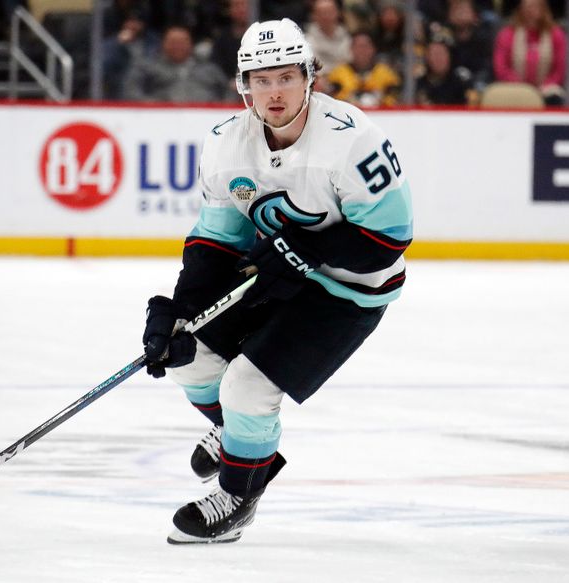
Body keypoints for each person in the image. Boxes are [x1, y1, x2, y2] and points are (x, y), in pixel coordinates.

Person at [141, 18, 412, 544]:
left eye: (286, 76)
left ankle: (239, 494)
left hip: (351, 289)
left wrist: (311, 248)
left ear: (310, 76)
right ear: (243, 84)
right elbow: (214, 244)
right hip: (276, 271)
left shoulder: (352, 140)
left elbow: (389, 239)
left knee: (248, 386)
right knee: (187, 352)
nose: (274, 92)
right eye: (261, 80)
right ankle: (240, 434)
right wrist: (177, 310)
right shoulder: (225, 144)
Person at [123, 25, 231, 103]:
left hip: (208, 118)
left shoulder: (210, 69)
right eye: (173, 42)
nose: (177, 46)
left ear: (191, 44)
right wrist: (150, 105)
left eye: (182, 42)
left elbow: (228, 90)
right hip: (160, 119)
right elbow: (130, 90)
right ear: (163, 44)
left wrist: (220, 108)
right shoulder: (147, 67)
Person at [492, 0, 567, 105]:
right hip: (515, 87)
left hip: (547, 89)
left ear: (544, 9)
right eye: (528, 7)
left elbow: (560, 70)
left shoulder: (556, 35)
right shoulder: (507, 34)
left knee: (555, 97)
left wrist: (544, 86)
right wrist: (522, 87)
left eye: (536, 6)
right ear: (521, 9)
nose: (532, 11)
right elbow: (501, 68)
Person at [327, 30, 401, 106]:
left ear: (373, 49)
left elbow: (395, 100)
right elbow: (331, 100)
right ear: (351, 49)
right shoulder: (337, 73)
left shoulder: (386, 73)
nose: (362, 50)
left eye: (365, 46)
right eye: (358, 46)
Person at [415, 30, 476, 105]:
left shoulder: (461, 82)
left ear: (450, 56)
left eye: (442, 54)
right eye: (434, 54)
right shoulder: (418, 84)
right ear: (427, 57)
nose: (438, 59)